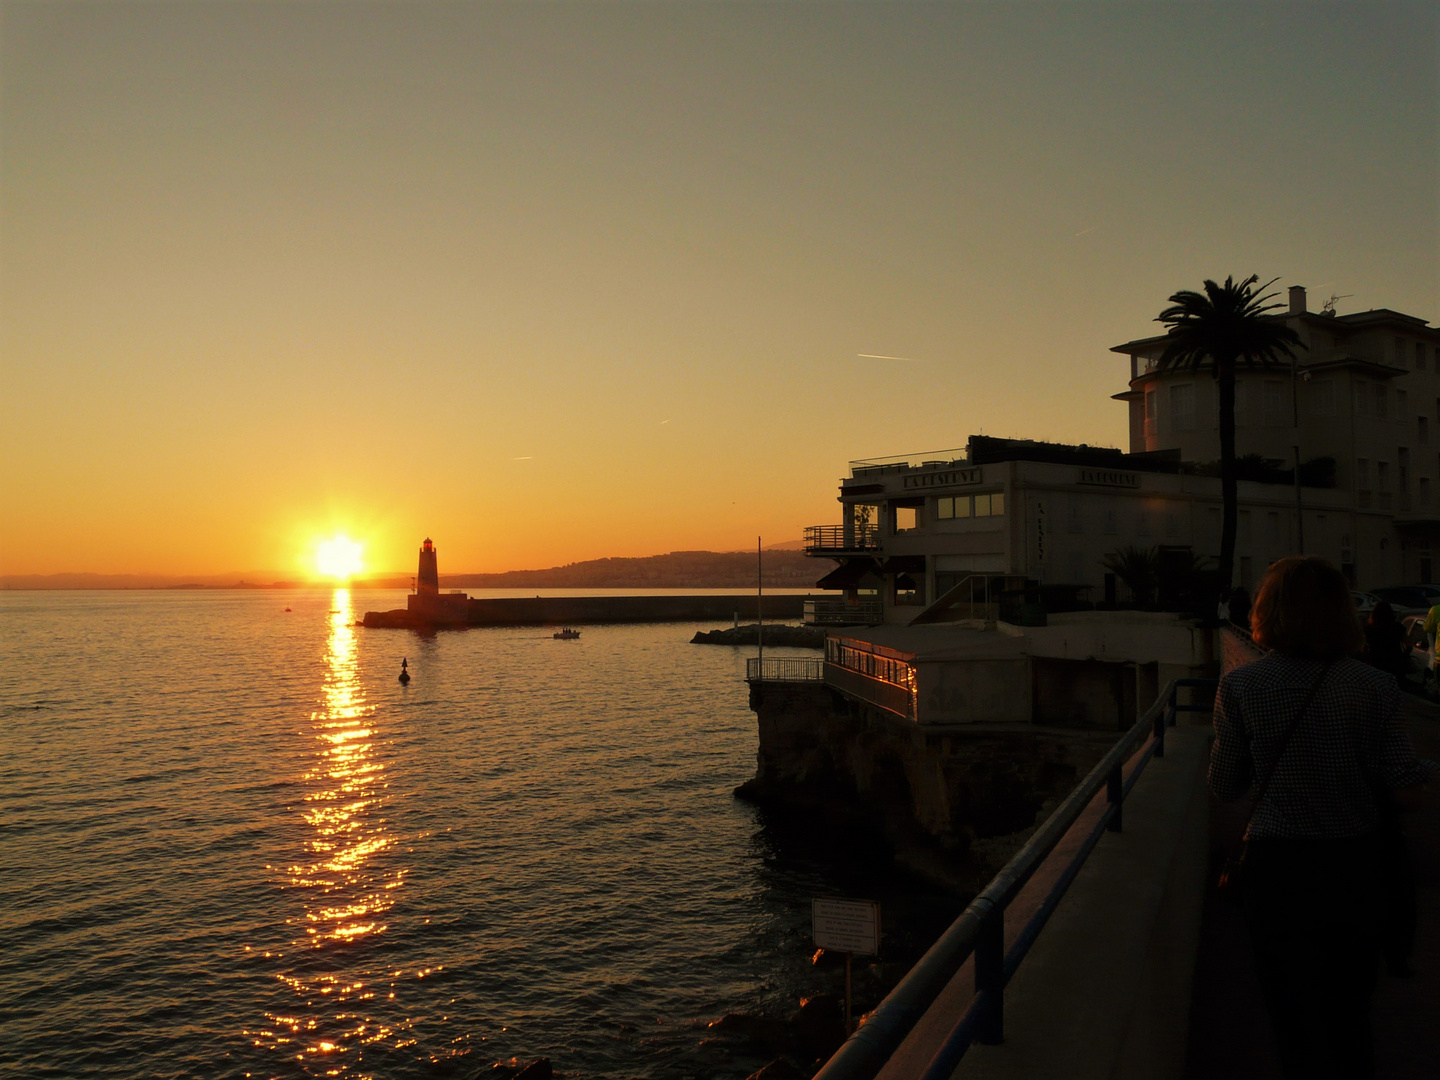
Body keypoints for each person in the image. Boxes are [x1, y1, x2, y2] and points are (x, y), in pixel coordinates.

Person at [1211, 557, 1435, 1080]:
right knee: (1350, 1014)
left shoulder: (1243, 687)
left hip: (1277, 870)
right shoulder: (1374, 687)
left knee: (1291, 1018)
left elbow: (1226, 787)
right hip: (1355, 867)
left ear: (1268, 612)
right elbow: (1405, 790)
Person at [1362, 600, 1410, 680]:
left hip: (1374, 663)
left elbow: (1363, 647)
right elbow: (1408, 645)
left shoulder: (1368, 628)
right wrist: (1404, 655)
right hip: (1395, 662)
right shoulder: (1398, 627)